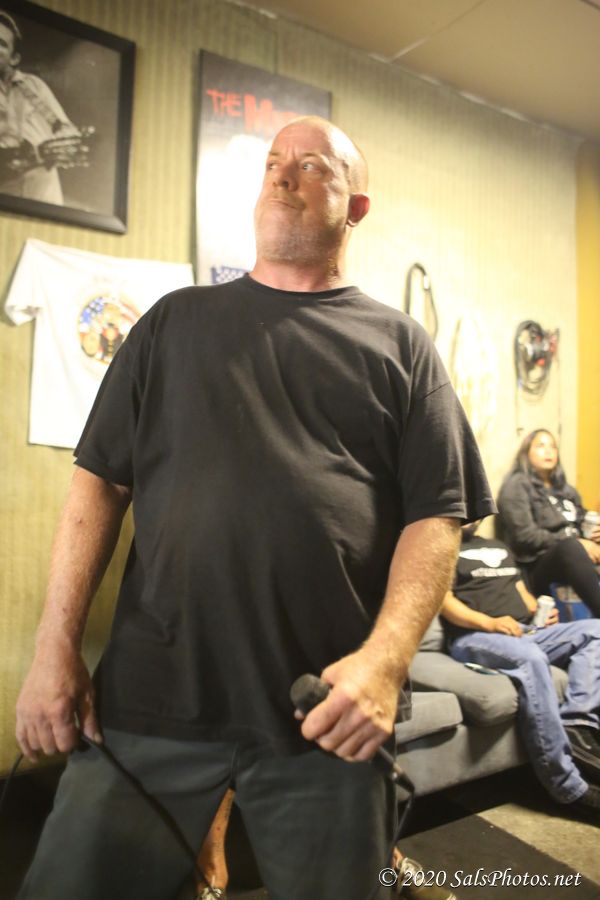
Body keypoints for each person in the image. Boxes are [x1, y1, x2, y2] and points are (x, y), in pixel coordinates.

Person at [15, 115, 494, 900]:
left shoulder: (401, 346)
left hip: (326, 712)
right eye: (274, 161)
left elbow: (437, 517)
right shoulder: (172, 323)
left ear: (356, 207)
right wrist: (53, 648)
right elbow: (98, 483)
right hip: (150, 701)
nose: (282, 174)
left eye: (312, 165)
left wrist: (385, 663)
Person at [440, 522, 600, 817]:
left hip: (524, 630)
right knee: (532, 659)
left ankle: (577, 724)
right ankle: (567, 786)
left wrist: (540, 611)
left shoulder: (498, 547)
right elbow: (444, 602)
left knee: (596, 631)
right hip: (475, 636)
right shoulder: (443, 546)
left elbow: (519, 591)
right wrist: (490, 623)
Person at [497, 428, 600, 617]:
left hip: (577, 556)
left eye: (553, 447)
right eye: (540, 446)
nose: (548, 451)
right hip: (537, 564)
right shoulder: (517, 485)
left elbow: (582, 520)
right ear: (526, 453)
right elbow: (525, 536)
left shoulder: (566, 490)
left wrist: (594, 536)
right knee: (570, 547)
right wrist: (577, 543)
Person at [0, 10, 90, 204]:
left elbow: (65, 129)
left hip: (44, 195)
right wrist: (29, 154)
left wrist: (63, 145)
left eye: (1, 44)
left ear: (14, 58)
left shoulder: (32, 86)